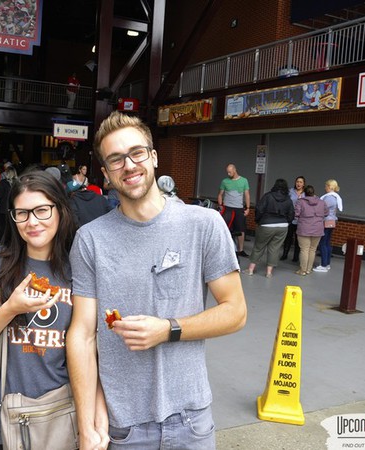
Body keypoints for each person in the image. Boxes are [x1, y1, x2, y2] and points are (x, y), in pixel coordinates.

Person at [66, 111, 247, 450]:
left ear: (153, 156)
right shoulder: (91, 239)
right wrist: (86, 422)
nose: (129, 165)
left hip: (191, 420)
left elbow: (235, 312)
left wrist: (167, 329)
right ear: (105, 173)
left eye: (137, 153)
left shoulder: (203, 224)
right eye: (116, 159)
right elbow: (82, 334)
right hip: (124, 427)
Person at [0, 170, 77, 449]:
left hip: (60, 418)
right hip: (1, 423)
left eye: (42, 210)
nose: (32, 222)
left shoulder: (78, 269)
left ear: (60, 210)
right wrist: (9, 309)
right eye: (22, 213)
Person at [243, 178, 294, 278]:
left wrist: (258, 221)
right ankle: (269, 273)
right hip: (282, 226)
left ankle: (250, 270)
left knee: (259, 247)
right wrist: (286, 222)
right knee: (274, 249)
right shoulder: (288, 199)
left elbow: (259, 209)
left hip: (266, 224)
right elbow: (291, 213)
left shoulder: (268, 196)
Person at [218, 163, 250, 257]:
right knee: (225, 228)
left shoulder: (244, 180)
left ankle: (241, 250)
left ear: (235, 170)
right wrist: (220, 205)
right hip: (227, 208)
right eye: (227, 172)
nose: (228, 174)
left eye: (230, 172)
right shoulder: (224, 181)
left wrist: (248, 208)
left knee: (241, 229)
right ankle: (224, 248)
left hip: (239, 208)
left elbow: (247, 195)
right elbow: (220, 194)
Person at [294, 185, 328, 275]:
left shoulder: (300, 202)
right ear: (313, 192)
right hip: (318, 229)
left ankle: (303, 270)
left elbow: (296, 213)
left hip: (304, 228)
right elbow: (326, 213)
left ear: (305, 193)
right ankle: (309, 269)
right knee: (313, 249)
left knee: (304, 249)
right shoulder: (322, 202)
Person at [313, 179, 343, 272]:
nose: (325, 187)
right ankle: (327, 264)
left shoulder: (329, 198)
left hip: (326, 221)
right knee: (327, 243)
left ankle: (323, 265)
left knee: (323, 243)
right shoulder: (335, 197)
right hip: (332, 221)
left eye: (326, 185)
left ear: (330, 186)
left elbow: (321, 208)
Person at [281, 176, 306, 261]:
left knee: (298, 239)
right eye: (297, 182)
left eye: (301, 182)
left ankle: (296, 257)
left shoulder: (305, 193)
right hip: (290, 218)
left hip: (300, 220)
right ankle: (285, 254)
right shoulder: (290, 191)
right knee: (288, 237)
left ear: (303, 184)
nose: (298, 183)